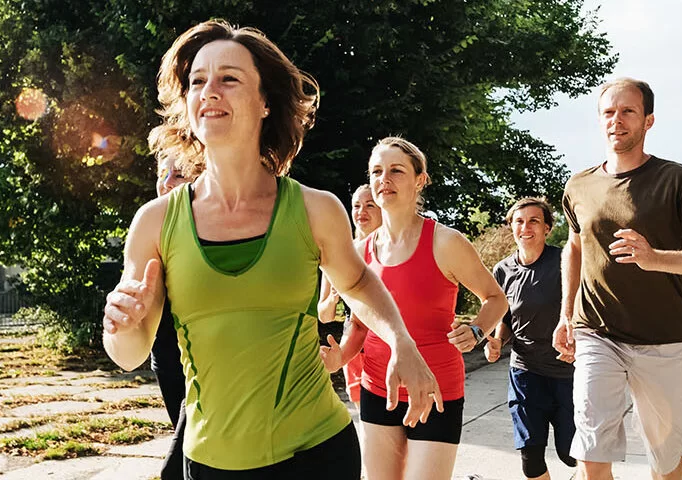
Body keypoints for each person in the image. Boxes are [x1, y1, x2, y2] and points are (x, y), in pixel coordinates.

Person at [101, 21, 440, 480]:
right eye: (198, 81)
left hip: (315, 453)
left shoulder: (314, 209)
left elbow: (357, 282)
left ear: (264, 103)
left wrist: (401, 340)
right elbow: (128, 352)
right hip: (210, 462)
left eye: (229, 78)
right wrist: (120, 323)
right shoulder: (156, 222)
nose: (210, 91)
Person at [551, 77, 682, 480]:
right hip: (597, 331)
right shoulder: (579, 185)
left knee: (665, 460)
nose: (617, 120)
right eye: (609, 112)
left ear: (648, 120)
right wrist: (566, 314)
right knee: (591, 453)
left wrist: (654, 257)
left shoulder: (680, 180)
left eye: (628, 111)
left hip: (664, 339)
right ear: (599, 121)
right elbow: (575, 247)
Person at [322, 137, 507, 479]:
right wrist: (341, 358)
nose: (384, 179)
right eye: (377, 171)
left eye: (396, 170)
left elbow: (496, 298)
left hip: (438, 388)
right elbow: (361, 325)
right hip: (378, 387)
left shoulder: (446, 242)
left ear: (420, 180)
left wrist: (478, 329)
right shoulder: (360, 251)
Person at [483, 198, 577, 480]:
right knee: (530, 455)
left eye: (534, 221)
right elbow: (504, 318)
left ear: (547, 228)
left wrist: (580, 344)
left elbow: (587, 309)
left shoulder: (564, 263)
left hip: (567, 373)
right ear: (511, 227)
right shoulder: (503, 270)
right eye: (519, 221)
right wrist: (498, 341)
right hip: (525, 372)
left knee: (572, 454)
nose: (526, 227)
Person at [317, 185, 384, 404]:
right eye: (356, 206)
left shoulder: (394, 251)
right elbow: (324, 316)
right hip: (353, 347)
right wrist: (333, 298)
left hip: (388, 342)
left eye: (369, 205)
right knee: (366, 419)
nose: (361, 211)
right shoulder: (338, 255)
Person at [150, 156, 190, 480]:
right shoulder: (150, 232)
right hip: (165, 356)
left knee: (176, 467)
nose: (165, 181)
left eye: (176, 174)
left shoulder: (215, 233)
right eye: (162, 174)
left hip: (208, 363)